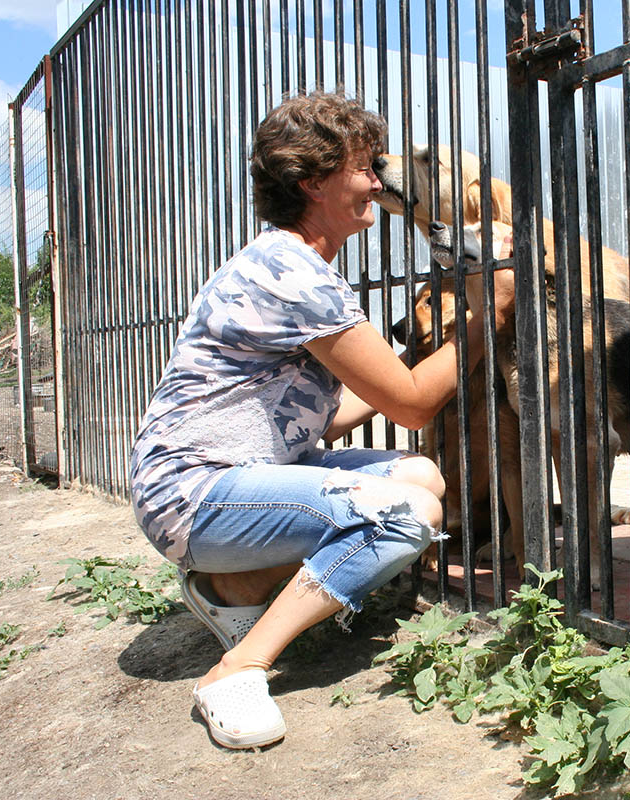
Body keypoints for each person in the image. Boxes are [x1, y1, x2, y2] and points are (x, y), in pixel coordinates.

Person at [128, 91, 516, 749]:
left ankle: (236, 583)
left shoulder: (289, 261)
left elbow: (335, 410)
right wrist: (492, 315)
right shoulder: (293, 272)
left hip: (229, 481)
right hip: (193, 495)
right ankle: (240, 665)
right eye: (364, 168)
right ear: (312, 182)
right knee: (407, 514)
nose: (375, 181)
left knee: (422, 473)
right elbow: (413, 403)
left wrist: (411, 368)